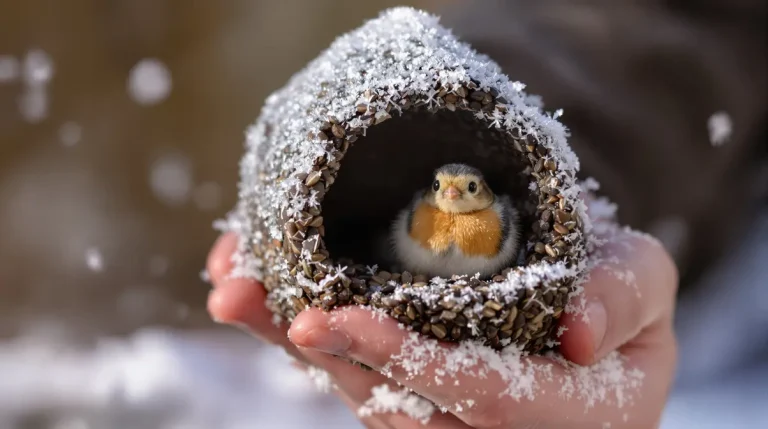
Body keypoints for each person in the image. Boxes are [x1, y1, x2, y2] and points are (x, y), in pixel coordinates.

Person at [207, 1, 766, 427]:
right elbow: (670, 25)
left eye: (465, 187)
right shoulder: (420, 219)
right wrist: (505, 105)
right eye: (442, 188)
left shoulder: (495, 227)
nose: (451, 198)